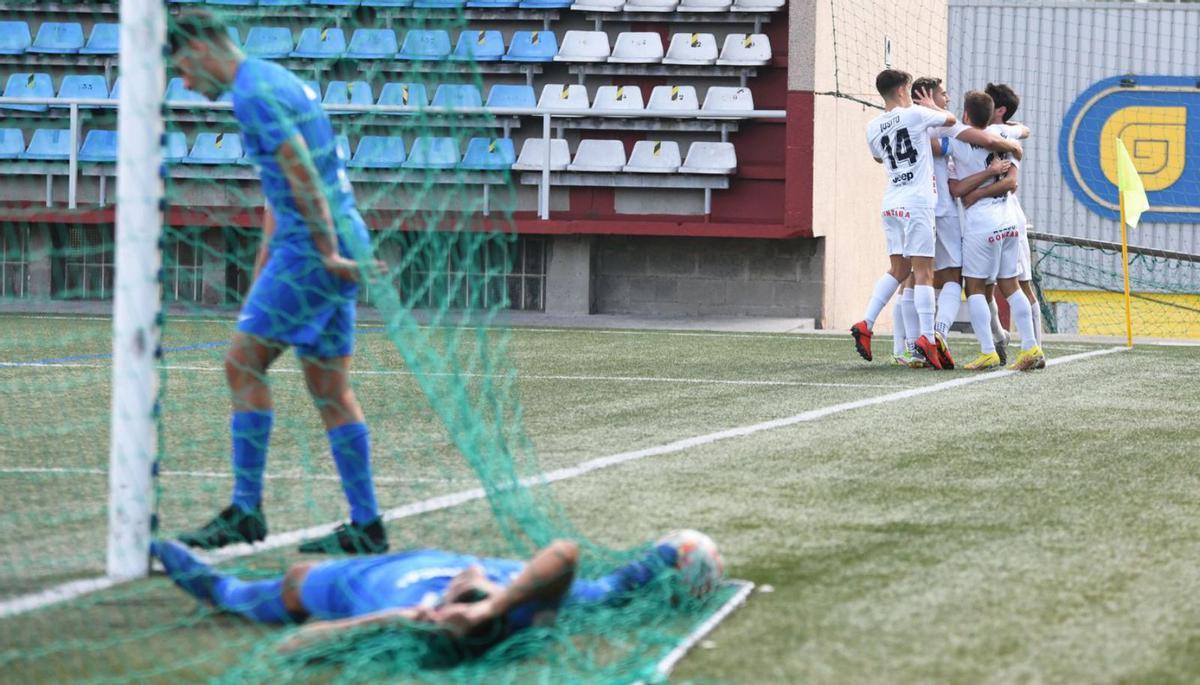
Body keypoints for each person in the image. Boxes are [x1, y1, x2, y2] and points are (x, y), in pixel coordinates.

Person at [169, 10, 387, 554]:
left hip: (313, 247)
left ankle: (246, 510)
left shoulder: (252, 95)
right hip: (333, 235)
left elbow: (301, 175)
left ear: (199, 48)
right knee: (330, 389)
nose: (189, 86)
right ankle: (367, 524)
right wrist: (269, 266)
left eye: (184, 71)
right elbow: (281, 188)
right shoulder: (276, 80)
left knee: (242, 364)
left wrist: (325, 254)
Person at [150, 530, 723, 657]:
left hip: (368, 588)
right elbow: (565, 554)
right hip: (417, 571)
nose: (471, 576)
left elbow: (289, 648)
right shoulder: (531, 603)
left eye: (470, 587)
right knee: (616, 589)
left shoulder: (409, 618)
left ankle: (208, 581)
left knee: (296, 582)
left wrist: (398, 616)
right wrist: (495, 601)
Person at [852, 69, 957, 369]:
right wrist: (931, 108)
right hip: (917, 202)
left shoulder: (872, 126)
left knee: (898, 269)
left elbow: (877, 157)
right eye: (909, 89)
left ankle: (866, 322)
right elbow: (949, 121)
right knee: (924, 272)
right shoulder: (914, 115)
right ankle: (926, 338)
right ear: (901, 91)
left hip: (892, 202)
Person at [947, 91, 1044, 371]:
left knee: (975, 287)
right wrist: (1013, 144)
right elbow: (1021, 131)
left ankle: (988, 350)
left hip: (983, 220)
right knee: (1011, 284)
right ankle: (1031, 346)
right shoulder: (1001, 131)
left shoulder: (958, 138)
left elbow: (957, 190)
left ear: (965, 115)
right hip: (1009, 217)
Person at [984, 82, 1043, 368]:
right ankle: (999, 336)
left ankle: (1035, 348)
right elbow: (1025, 129)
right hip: (984, 217)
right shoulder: (1008, 131)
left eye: (989, 102)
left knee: (1019, 283)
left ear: (1000, 110)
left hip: (1005, 212)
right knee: (982, 283)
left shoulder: (990, 132)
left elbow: (1010, 181)